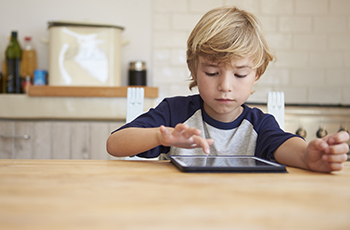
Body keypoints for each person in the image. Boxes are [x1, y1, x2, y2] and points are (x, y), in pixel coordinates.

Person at [107, 6, 349, 173]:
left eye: (240, 74)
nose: (224, 86)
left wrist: (309, 156)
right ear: (193, 70)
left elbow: (289, 148)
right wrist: (161, 136)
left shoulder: (260, 125)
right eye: (212, 73)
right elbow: (115, 144)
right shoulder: (176, 112)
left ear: (256, 75)